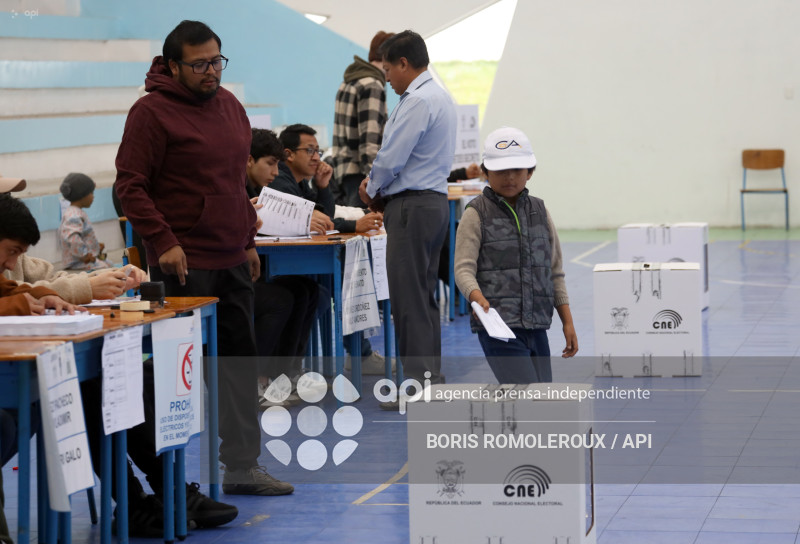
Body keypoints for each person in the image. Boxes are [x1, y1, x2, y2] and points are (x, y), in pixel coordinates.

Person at [114, 20, 292, 496]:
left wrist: (248, 239)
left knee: (238, 369)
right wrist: (163, 240)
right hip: (181, 263)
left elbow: (236, 182)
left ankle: (242, 467)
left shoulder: (230, 106)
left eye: (217, 61)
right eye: (199, 65)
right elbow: (130, 186)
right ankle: (169, 482)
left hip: (231, 256)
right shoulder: (150, 113)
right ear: (173, 66)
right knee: (177, 377)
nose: (211, 71)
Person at [359, 30, 457, 404]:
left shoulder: (417, 100)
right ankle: (430, 380)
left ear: (403, 63)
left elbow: (391, 158)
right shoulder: (441, 96)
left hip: (411, 208)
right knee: (423, 298)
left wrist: (371, 188)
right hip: (432, 205)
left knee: (408, 301)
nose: (385, 77)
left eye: (387, 69)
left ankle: (417, 384)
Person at [454, 127, 578, 384]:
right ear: (485, 172)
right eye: (500, 170)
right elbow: (463, 270)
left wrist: (567, 322)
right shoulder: (475, 214)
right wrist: (477, 298)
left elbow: (555, 271)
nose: (509, 177)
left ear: (529, 172)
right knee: (526, 397)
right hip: (498, 329)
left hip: (537, 327)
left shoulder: (540, 211)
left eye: (517, 170)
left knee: (541, 398)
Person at [272, 124, 387, 373]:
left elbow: (323, 217)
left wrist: (323, 186)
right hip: (278, 264)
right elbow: (312, 223)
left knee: (333, 283)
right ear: (288, 154)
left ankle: (359, 352)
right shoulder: (280, 180)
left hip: (298, 260)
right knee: (341, 279)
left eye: (318, 151)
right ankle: (358, 354)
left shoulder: (299, 182)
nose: (316, 157)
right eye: (310, 150)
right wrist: (354, 225)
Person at [245, 128, 319, 405]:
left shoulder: (257, 190)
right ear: (249, 160)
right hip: (226, 280)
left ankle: (285, 375)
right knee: (280, 300)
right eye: (270, 163)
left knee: (306, 290)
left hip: (250, 272)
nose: (275, 172)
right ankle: (256, 381)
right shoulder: (236, 191)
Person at [332, 31, 394, 208]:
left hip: (344, 170)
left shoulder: (349, 81)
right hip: (361, 173)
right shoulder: (372, 84)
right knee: (367, 223)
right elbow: (369, 141)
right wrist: (375, 180)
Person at [58, 173, 113, 270]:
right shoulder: (74, 215)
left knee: (109, 264)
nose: (93, 197)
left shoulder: (75, 212)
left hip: (83, 259)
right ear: (82, 195)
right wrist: (84, 255)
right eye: (91, 193)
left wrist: (95, 247)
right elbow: (73, 239)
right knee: (106, 268)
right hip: (78, 262)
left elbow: (83, 236)